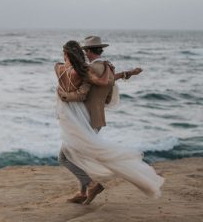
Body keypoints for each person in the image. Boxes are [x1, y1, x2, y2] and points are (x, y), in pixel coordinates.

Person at [55, 40, 163, 205]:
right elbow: (111, 79)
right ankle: (83, 191)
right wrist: (129, 73)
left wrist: (64, 96)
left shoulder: (88, 69)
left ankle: (92, 186)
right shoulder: (106, 67)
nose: (83, 54)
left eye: (85, 51)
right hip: (96, 119)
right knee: (77, 154)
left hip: (85, 120)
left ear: (89, 51)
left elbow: (84, 92)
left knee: (65, 156)